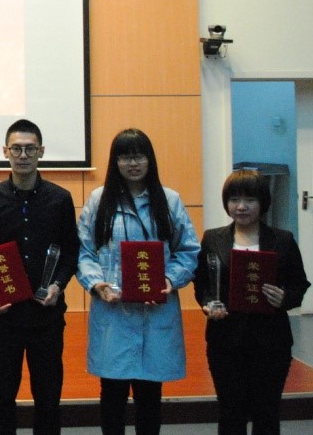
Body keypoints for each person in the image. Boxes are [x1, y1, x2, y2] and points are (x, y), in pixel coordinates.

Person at [77, 128, 199, 435]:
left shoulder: (169, 200)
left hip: (154, 311)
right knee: (112, 396)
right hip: (113, 313)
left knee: (149, 397)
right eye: (125, 157)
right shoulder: (99, 200)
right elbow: (84, 251)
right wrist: (96, 284)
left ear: (150, 159)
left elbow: (188, 250)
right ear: (115, 161)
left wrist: (170, 279)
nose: (133, 163)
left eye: (139, 156)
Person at [0, 119, 80, 435]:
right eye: (16, 149)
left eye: (30, 149)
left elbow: (70, 252)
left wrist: (58, 285)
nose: (23, 155)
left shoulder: (60, 199)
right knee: (2, 399)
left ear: (41, 151)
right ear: (5, 152)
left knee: (48, 399)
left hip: (46, 317)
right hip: (3, 318)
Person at [193, 169, 310, 435]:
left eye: (249, 200)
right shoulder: (212, 239)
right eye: (234, 199)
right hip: (225, 341)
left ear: (263, 202)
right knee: (230, 412)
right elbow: (202, 283)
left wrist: (284, 298)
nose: (241, 206)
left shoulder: (282, 240)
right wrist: (208, 304)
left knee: (266, 413)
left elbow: (299, 285)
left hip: (271, 343)